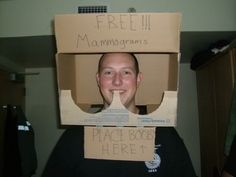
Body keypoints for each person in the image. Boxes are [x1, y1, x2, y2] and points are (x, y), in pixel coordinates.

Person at [42, 53, 196, 177]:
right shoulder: (75, 137)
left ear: (138, 79)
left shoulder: (165, 134)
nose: (117, 81)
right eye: (108, 72)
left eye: (126, 72)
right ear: (98, 79)